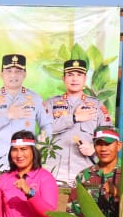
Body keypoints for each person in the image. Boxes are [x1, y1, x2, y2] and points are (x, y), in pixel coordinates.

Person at [0, 54, 52, 171]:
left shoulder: (35, 98)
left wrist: (43, 141)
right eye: (9, 71)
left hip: (25, 165)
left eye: (18, 71)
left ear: (24, 74)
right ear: (1, 74)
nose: (13, 75)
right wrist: (7, 116)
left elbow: (46, 125)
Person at [44, 58, 112, 187]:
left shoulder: (97, 106)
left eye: (79, 75)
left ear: (85, 78)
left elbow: (108, 136)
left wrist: (94, 149)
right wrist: (73, 118)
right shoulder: (51, 104)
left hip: (85, 171)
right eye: (70, 75)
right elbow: (44, 130)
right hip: (55, 172)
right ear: (63, 78)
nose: (74, 79)